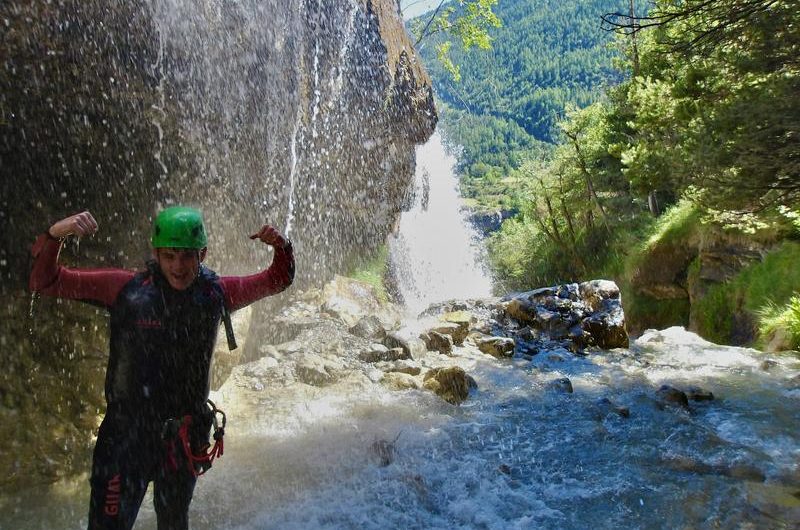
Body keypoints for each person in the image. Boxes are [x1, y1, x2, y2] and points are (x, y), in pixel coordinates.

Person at [29, 206, 295, 530]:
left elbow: (278, 279)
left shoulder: (216, 293)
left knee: (173, 523)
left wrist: (282, 248)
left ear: (203, 254)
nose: (178, 266)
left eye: (186, 256)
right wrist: (55, 234)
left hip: (181, 438)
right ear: (156, 253)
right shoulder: (125, 289)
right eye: (169, 256)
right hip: (126, 439)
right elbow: (45, 281)